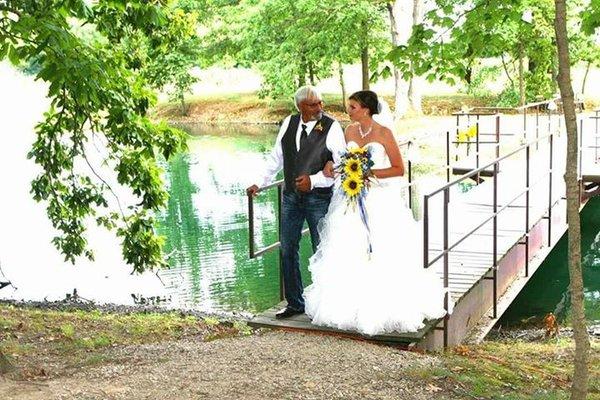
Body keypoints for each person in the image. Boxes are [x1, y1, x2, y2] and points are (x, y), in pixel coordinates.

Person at [304, 90, 447, 335]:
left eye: (353, 107)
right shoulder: (348, 132)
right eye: (349, 107)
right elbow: (340, 160)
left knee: (381, 248)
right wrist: (333, 166)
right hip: (349, 198)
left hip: (379, 199)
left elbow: (399, 168)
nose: (348, 111)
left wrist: (370, 174)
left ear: (366, 109)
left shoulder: (384, 133)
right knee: (348, 247)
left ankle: (382, 305)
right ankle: (347, 306)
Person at [247, 86, 346, 319]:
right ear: (301, 106)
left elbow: (341, 165)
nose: (320, 108)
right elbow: (276, 157)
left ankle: (327, 306)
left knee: (321, 250)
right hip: (291, 197)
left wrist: (314, 181)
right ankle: (295, 303)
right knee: (287, 248)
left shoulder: (332, 127)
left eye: (321, 103)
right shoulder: (289, 123)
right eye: (314, 104)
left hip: (319, 198)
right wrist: (258, 182)